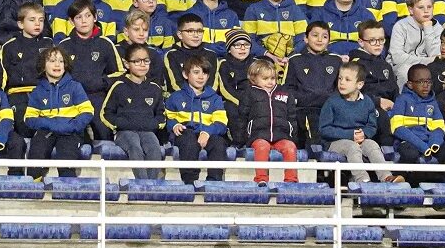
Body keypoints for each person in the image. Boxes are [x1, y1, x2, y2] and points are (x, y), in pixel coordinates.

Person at [24, 47, 94, 179]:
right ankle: (34, 189)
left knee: (66, 157)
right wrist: (50, 124)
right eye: (52, 61)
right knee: (37, 151)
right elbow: (29, 118)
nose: (57, 65)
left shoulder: (75, 87)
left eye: (61, 61)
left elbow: (87, 112)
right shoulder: (38, 91)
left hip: (70, 132)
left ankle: (67, 192)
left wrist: (72, 126)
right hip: (47, 131)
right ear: (43, 66)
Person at [102, 45, 168, 178]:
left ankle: (151, 185)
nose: (142, 65)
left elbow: (161, 116)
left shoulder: (154, 88)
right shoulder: (118, 86)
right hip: (124, 132)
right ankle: (142, 186)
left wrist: (151, 125)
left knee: (154, 149)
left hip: (147, 131)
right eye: (137, 61)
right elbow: (106, 114)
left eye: (146, 60)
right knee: (134, 147)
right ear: (127, 63)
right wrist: (121, 124)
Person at [236, 55, 302, 184]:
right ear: (253, 79)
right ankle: (261, 179)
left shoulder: (284, 93)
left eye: (273, 78)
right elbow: (242, 118)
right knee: (262, 147)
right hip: (258, 135)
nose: (270, 82)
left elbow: (292, 117)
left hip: (281, 135)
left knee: (290, 147)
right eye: (265, 78)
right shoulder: (249, 94)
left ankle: (291, 180)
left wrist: (292, 137)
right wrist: (240, 140)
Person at [320, 61, 390, 184]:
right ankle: (362, 180)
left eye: (347, 79)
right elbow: (324, 129)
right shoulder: (331, 102)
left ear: (359, 84)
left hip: (359, 139)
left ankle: (386, 177)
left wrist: (364, 134)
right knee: (352, 147)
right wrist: (350, 134)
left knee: (372, 145)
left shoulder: (367, 102)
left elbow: (372, 126)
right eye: (340, 78)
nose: (342, 82)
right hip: (335, 142)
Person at [165, 52, 230, 183]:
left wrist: (207, 132)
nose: (201, 77)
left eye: (205, 73)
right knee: (188, 139)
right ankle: (190, 182)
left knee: (218, 142)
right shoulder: (175, 97)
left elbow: (221, 123)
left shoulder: (215, 98)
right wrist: (174, 125)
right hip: (185, 133)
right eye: (196, 72)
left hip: (208, 132)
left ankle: (214, 182)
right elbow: (167, 118)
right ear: (185, 74)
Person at [390, 63, 445, 182]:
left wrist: (434, 143)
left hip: (430, 142)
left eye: (428, 81)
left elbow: (439, 127)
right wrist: (422, 146)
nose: (426, 86)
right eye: (421, 82)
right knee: (409, 154)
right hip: (408, 141)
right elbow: (397, 128)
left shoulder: (433, 102)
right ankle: (403, 179)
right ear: (410, 84)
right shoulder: (402, 100)